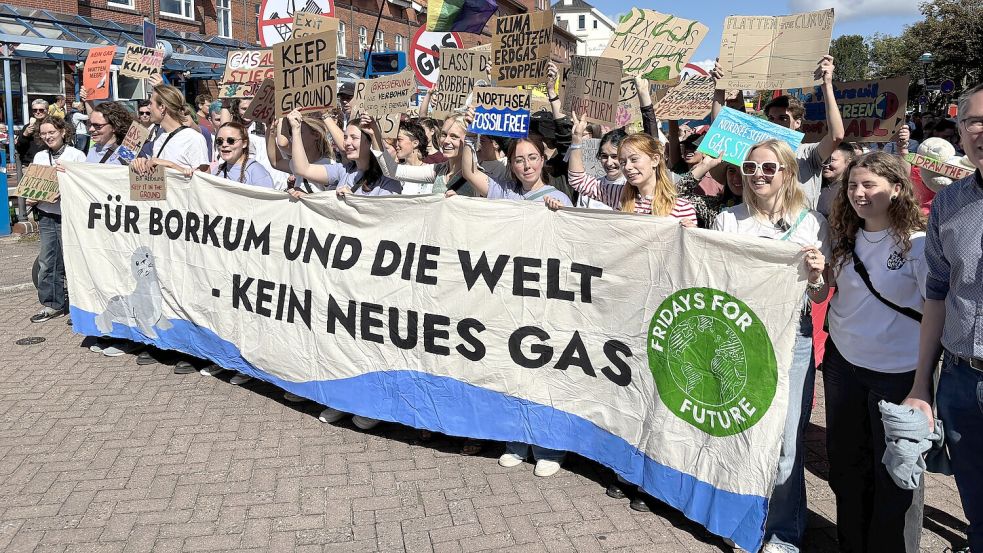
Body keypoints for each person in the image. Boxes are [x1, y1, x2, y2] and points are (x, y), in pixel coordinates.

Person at [713, 139, 829, 553]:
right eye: (750, 168)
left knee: (785, 445)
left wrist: (816, 276)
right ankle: (743, 520)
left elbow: (818, 298)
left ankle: (783, 533)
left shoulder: (813, 223)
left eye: (768, 168)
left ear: (787, 173)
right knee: (740, 433)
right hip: (739, 338)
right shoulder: (728, 221)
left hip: (790, 339)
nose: (758, 175)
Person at [818, 152, 927, 553]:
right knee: (846, 466)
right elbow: (826, 295)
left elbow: (935, 313)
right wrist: (817, 277)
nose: (859, 194)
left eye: (869, 185)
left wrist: (923, 383)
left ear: (896, 189)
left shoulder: (918, 245)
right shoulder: (843, 238)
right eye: (852, 186)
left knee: (897, 475)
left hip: (897, 375)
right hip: (843, 365)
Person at [903, 82, 983, 553]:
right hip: (960, 381)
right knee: (976, 506)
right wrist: (920, 385)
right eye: (974, 121)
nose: (982, 132)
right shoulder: (950, 204)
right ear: (960, 131)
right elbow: (936, 296)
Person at [716, 56, 845, 210]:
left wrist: (827, 85)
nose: (776, 122)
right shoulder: (756, 150)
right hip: (760, 226)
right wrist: (719, 87)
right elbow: (720, 127)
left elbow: (836, 136)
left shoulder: (808, 154)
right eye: (771, 118)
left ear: (797, 122)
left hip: (799, 228)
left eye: (783, 118)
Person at [565, 122, 697, 224]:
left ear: (655, 159)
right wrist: (577, 139)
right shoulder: (619, 196)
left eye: (634, 159)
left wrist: (690, 234)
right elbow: (577, 180)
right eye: (622, 162)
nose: (627, 167)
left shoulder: (682, 208)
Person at [28, 116, 87, 323]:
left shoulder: (76, 155)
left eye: (51, 132)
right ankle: (51, 304)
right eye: (43, 133)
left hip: (69, 215)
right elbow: (34, 184)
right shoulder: (40, 157)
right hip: (46, 214)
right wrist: (32, 197)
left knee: (74, 260)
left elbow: (84, 186)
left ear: (63, 132)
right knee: (47, 261)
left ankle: (79, 306)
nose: (47, 136)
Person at [130, 84, 210, 178]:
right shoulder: (160, 135)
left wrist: (170, 165)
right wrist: (143, 162)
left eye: (151, 104)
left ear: (162, 108)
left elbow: (204, 179)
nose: (148, 108)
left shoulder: (193, 138)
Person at [816, 143, 857, 217]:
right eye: (823, 158)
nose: (825, 163)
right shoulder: (815, 183)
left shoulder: (851, 188)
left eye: (831, 160)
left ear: (848, 162)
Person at [14, 99, 50, 165]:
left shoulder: (53, 125)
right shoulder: (27, 127)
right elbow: (19, 148)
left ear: (47, 110)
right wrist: (25, 135)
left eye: (41, 110)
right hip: (30, 163)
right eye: (35, 110)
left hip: (49, 162)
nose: (38, 112)